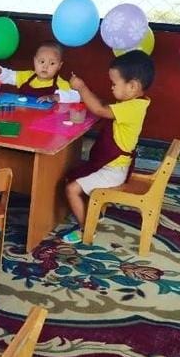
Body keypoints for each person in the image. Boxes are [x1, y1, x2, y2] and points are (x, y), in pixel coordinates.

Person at [62, 50, 156, 244]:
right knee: (74, 172)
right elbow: (103, 105)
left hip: (113, 171)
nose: (111, 87)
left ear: (132, 86)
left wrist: (81, 87)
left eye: (114, 83)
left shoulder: (132, 108)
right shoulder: (134, 103)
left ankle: (86, 230)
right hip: (113, 166)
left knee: (71, 189)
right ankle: (93, 214)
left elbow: (99, 109)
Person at [0, 40, 80, 103]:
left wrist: (55, 97)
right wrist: (0, 72)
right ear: (34, 61)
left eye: (52, 63)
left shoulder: (61, 84)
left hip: (46, 122)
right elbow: (10, 76)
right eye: (42, 62)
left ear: (59, 66)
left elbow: (77, 96)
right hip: (23, 116)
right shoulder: (26, 76)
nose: (45, 66)